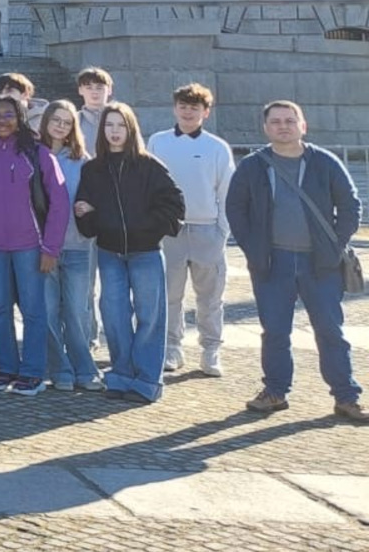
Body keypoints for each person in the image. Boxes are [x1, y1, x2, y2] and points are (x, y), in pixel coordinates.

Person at [228, 101, 365, 422]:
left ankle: (346, 397)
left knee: (331, 331)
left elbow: (350, 206)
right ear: (266, 128)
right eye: (275, 121)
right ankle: (275, 392)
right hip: (272, 263)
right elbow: (236, 209)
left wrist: (334, 247)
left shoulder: (325, 162)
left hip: (319, 264)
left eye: (290, 121)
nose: (283, 126)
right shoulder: (252, 166)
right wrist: (253, 249)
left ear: (303, 126)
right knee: (274, 331)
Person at [72, 103, 186, 403]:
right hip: (109, 252)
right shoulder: (93, 169)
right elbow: (83, 210)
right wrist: (88, 216)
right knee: (114, 315)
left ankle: (148, 381)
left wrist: (146, 228)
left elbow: (174, 205)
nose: (114, 131)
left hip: (145, 252)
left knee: (150, 316)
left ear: (131, 129)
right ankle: (121, 375)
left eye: (120, 125)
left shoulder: (149, 165)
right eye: (109, 125)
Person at [0, 96, 69, 396]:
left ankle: (33, 372)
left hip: (30, 247)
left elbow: (60, 204)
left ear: (20, 117)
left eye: (8, 115)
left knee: (34, 310)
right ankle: (6, 366)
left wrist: (51, 249)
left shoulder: (39, 154)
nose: (1, 120)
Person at [148, 83, 236, 378]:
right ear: (175, 109)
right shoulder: (158, 142)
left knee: (210, 298)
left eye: (194, 108)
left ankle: (211, 349)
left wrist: (221, 230)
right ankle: (172, 347)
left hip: (206, 231)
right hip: (169, 233)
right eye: (183, 107)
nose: (188, 112)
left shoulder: (216, 147)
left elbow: (227, 192)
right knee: (170, 296)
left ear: (205, 112)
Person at [37, 101, 100, 392]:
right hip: (41, 248)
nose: (61, 126)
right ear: (46, 121)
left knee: (76, 311)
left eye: (67, 122)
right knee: (48, 311)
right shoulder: (32, 156)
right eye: (56, 120)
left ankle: (84, 369)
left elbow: (94, 198)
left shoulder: (83, 161)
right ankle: (59, 369)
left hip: (77, 246)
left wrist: (90, 207)